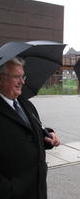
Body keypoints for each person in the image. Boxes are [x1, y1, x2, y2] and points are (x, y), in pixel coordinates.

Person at [0, 57, 60, 199]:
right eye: (17, 77)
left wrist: (48, 136)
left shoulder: (26, 104)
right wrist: (9, 190)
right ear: (1, 78)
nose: (22, 82)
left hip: (37, 189)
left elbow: (33, 132)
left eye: (23, 76)